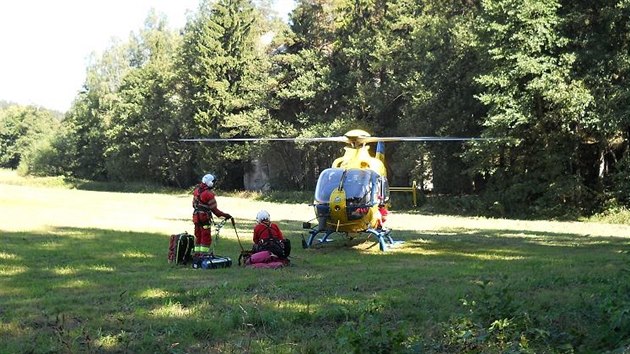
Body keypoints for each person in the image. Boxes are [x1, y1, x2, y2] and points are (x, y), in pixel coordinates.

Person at [192, 173, 232, 255]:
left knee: (198, 236)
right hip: (204, 219)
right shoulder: (209, 194)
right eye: (213, 181)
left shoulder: (196, 191)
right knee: (205, 237)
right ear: (210, 182)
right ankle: (203, 256)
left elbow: (193, 205)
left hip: (196, 217)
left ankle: (196, 255)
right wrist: (226, 215)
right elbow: (215, 211)